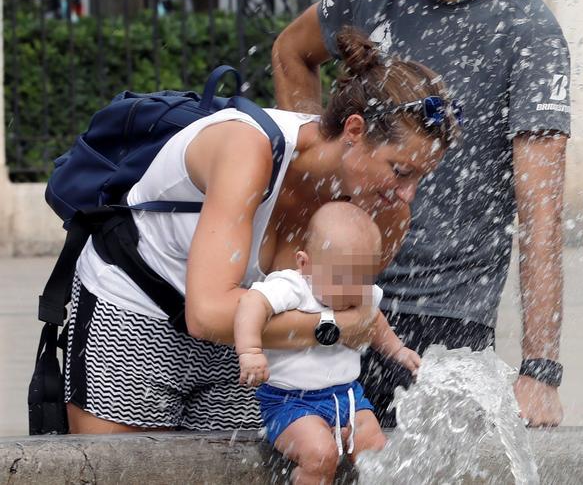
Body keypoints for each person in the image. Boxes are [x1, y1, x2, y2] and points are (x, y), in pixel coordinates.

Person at [272, 0, 569, 427]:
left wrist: (540, 370)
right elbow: (290, 53)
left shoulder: (527, 33)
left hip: (444, 321)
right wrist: (318, 191)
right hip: (336, 295)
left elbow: (541, 215)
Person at [65, 27, 459, 434]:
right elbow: (208, 313)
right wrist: (334, 328)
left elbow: (346, 307)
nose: (407, 195)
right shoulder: (248, 149)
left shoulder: (385, 212)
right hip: (137, 313)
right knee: (119, 465)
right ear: (355, 131)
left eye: (421, 178)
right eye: (400, 171)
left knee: (246, 463)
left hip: (253, 339)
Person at [236, 202, 421, 485]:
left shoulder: (360, 292)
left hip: (349, 397)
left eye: (361, 280)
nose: (350, 291)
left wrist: (398, 349)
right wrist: (250, 351)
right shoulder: (294, 286)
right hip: (291, 403)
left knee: (377, 449)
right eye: (339, 279)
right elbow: (251, 303)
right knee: (320, 455)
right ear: (304, 264)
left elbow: (375, 320)